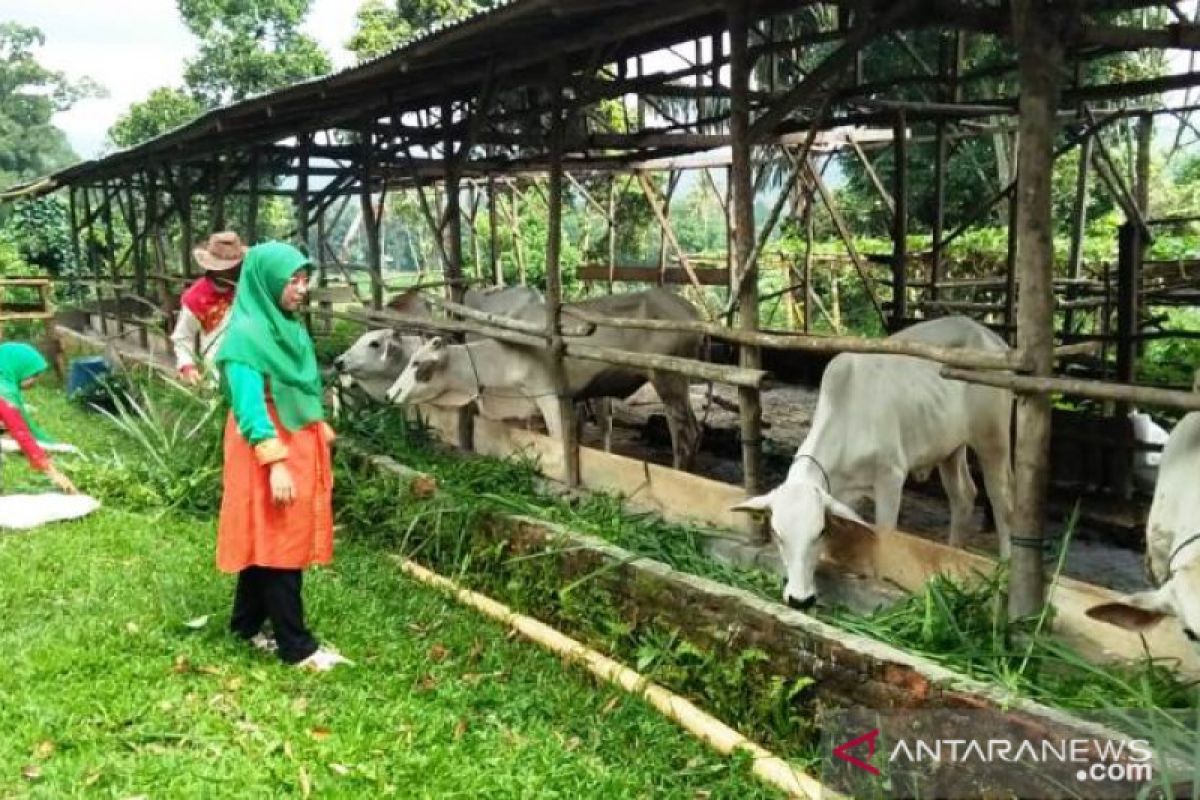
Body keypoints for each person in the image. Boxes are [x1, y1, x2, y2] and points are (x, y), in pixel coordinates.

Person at [213, 241, 348, 672]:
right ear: (266, 281)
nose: (301, 289)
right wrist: (275, 463)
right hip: (266, 443)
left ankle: (246, 624)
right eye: (292, 280)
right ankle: (297, 646)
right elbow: (248, 404)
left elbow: (302, 386)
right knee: (280, 541)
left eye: (304, 279)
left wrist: (314, 421)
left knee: (265, 533)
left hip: (296, 436)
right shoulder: (246, 336)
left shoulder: (287, 326)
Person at [0, 343, 77, 494]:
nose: (34, 381)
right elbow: (22, 435)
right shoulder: (5, 393)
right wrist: (53, 472)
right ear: (19, 367)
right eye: (33, 375)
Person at [171, 231, 247, 386]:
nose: (236, 271)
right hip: (217, 376)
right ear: (214, 268)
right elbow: (182, 337)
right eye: (230, 268)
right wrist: (188, 366)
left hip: (251, 372)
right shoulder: (196, 298)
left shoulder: (247, 289)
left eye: (237, 266)